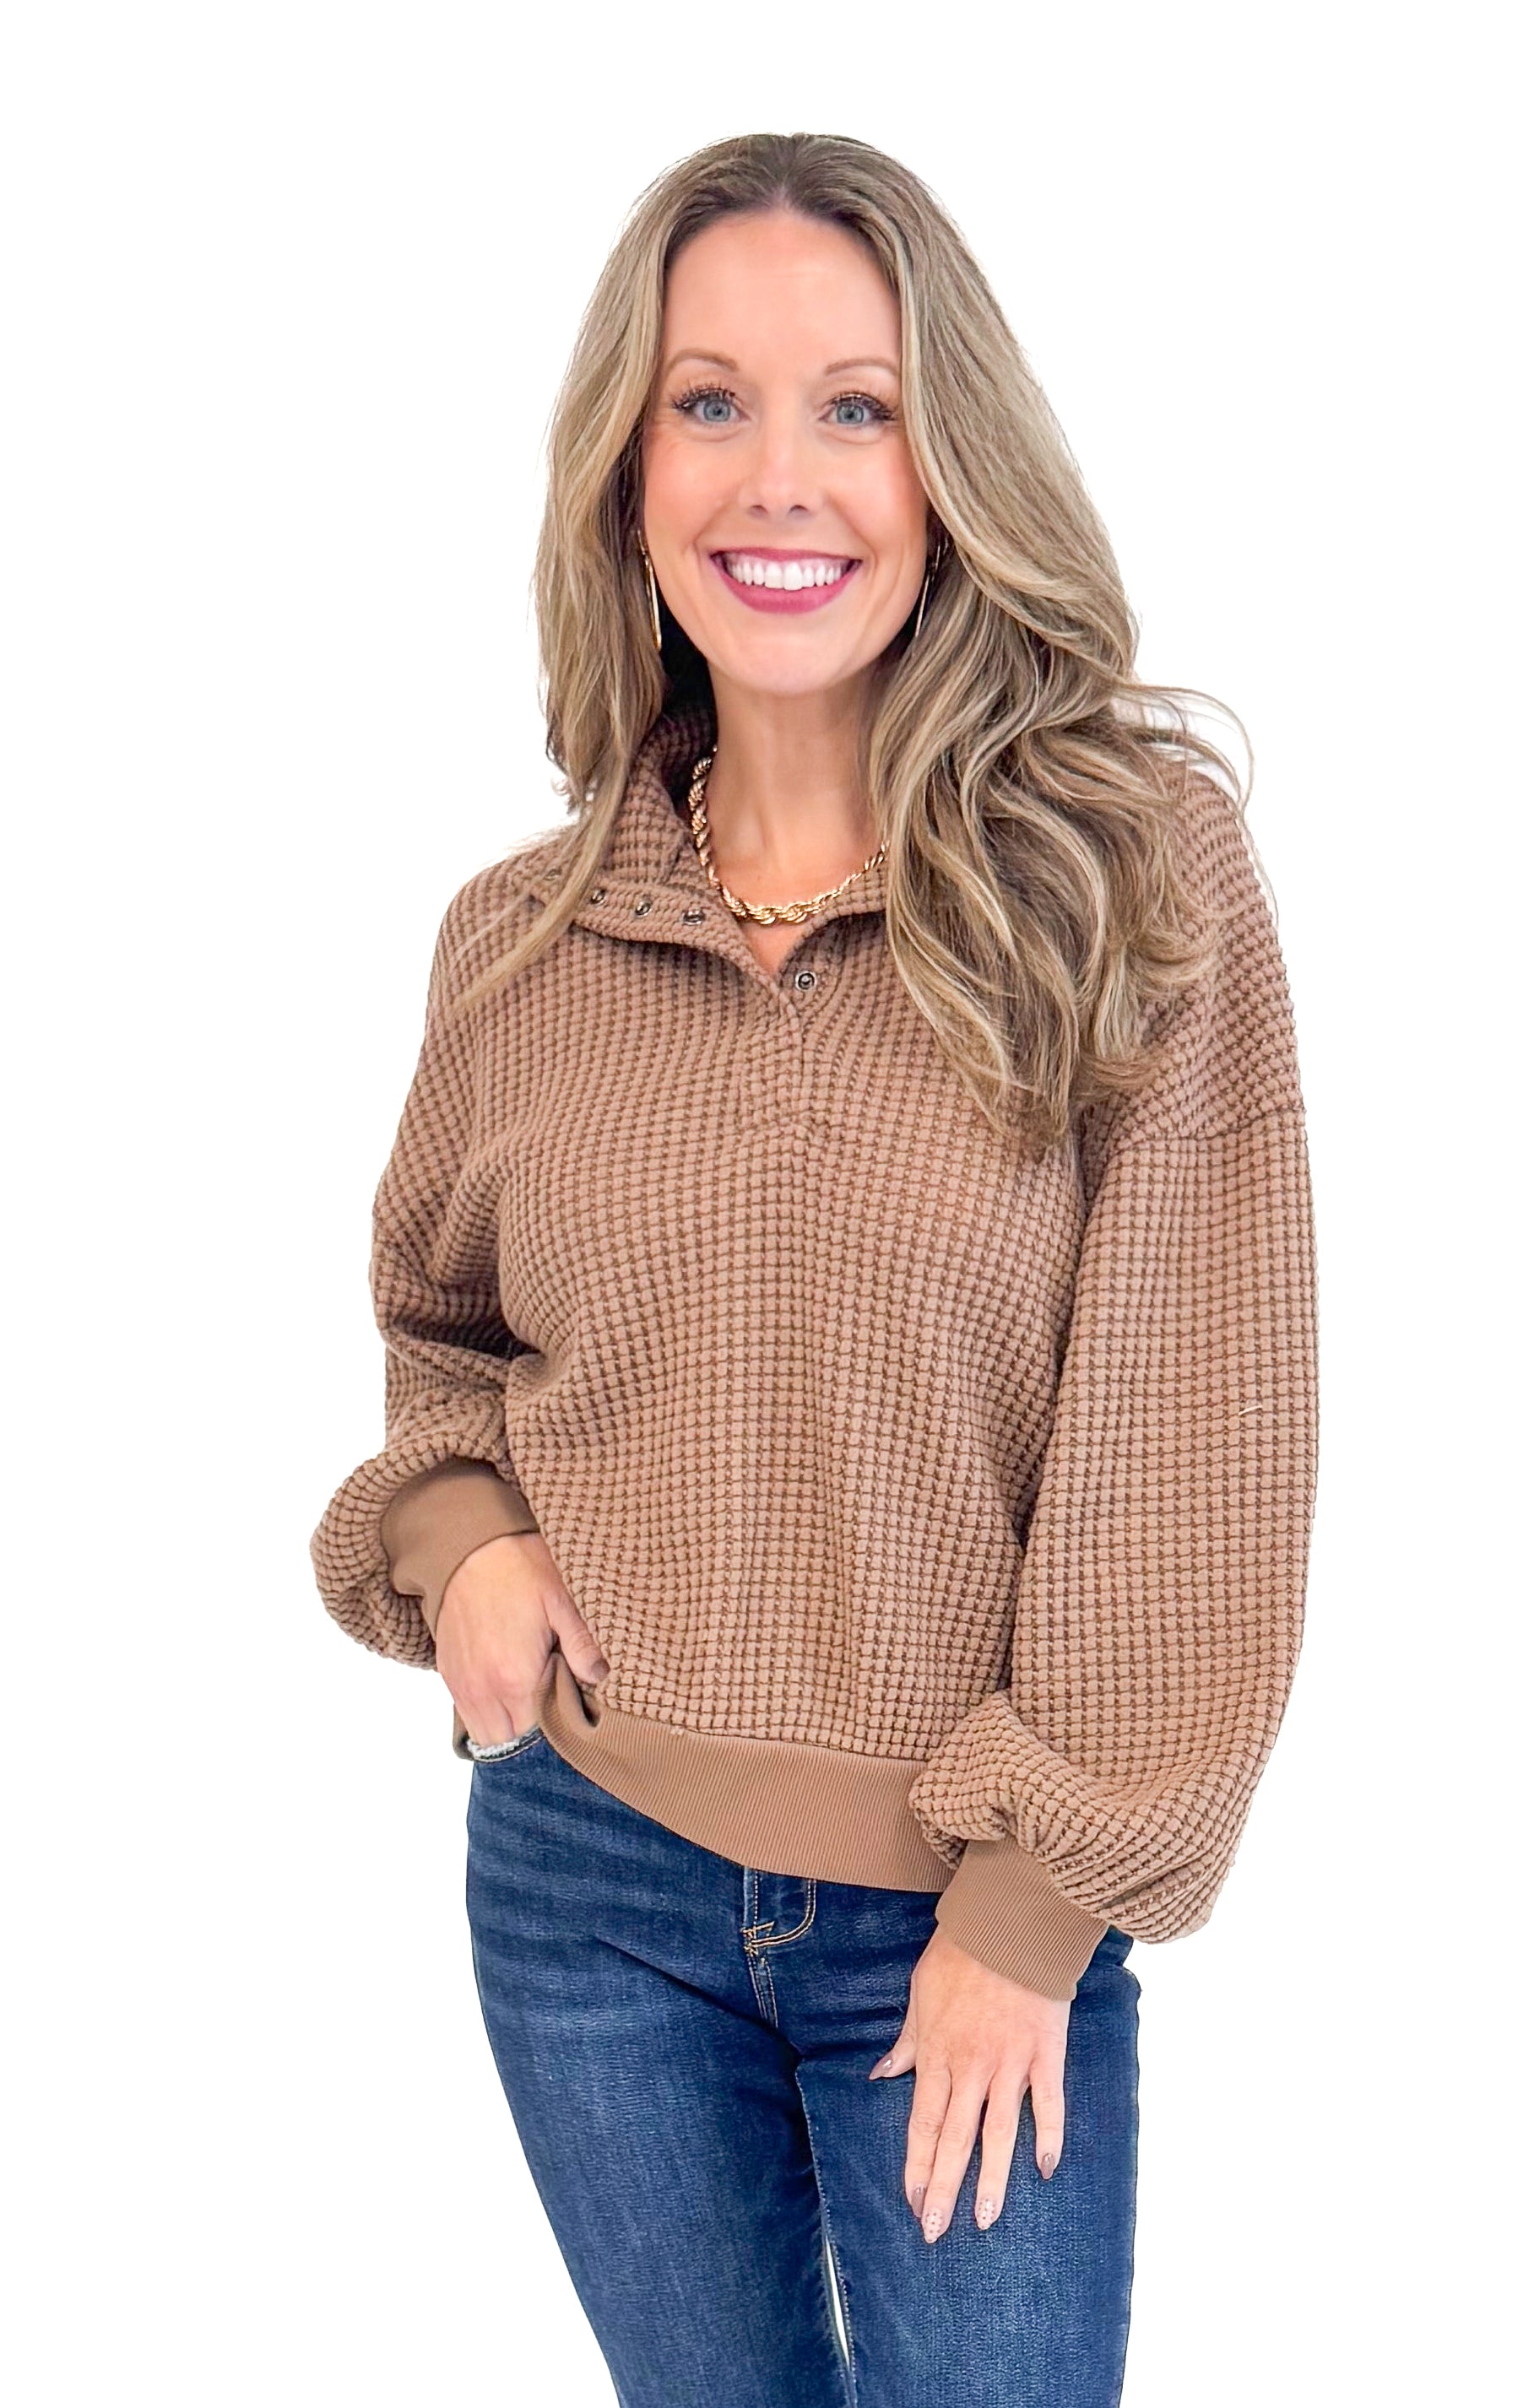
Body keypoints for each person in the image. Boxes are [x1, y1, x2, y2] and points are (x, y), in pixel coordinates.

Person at [310, 130, 1319, 2408]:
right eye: (711, 401)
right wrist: (459, 1545)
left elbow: (1196, 1422)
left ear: (950, 457)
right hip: (586, 1895)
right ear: (627, 469)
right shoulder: (525, 942)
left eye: (856, 404)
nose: (785, 478)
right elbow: (442, 1340)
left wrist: (1027, 1911)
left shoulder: (1131, 873)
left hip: (964, 1931)